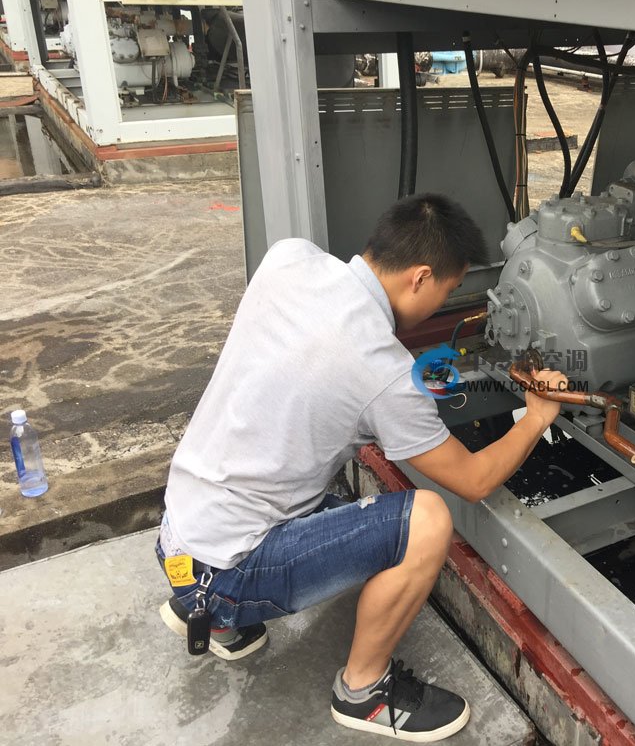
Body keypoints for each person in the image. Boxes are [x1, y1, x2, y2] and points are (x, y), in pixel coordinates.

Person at [155, 193, 569, 742]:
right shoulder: (383, 370)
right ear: (420, 278)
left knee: (339, 506)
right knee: (425, 521)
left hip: (180, 534)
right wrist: (536, 417)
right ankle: (363, 692)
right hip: (227, 572)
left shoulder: (288, 258)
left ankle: (212, 616)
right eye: (448, 291)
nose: (445, 303)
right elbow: (474, 480)